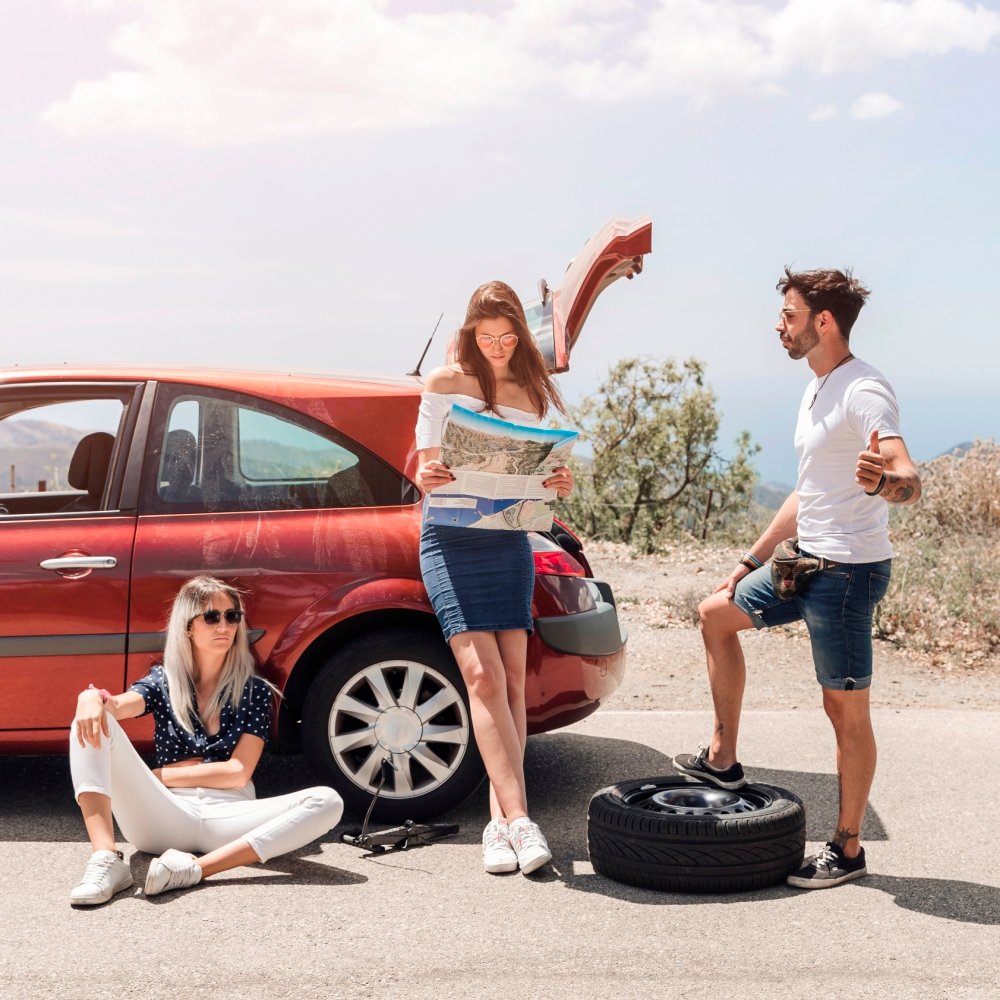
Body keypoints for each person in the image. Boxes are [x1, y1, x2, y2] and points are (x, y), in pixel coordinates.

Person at [674, 267, 921, 889]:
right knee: (715, 614)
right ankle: (724, 760)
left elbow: (906, 478)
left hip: (846, 574)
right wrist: (748, 561)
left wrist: (885, 483)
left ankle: (848, 848)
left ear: (823, 321)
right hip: (803, 561)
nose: (778, 325)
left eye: (788, 314)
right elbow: (807, 495)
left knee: (844, 711)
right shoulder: (817, 388)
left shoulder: (864, 388)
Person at [415, 280, 574, 875]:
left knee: (510, 683)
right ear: (470, 335)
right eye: (488, 338)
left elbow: (546, 468)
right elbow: (425, 463)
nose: (500, 347)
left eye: (508, 338)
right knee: (481, 678)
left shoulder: (531, 392)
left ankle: (500, 823)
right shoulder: (444, 382)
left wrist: (559, 482)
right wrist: (427, 474)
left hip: (507, 539)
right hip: (450, 539)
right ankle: (523, 819)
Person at [68, 575, 343, 906]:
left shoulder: (254, 691)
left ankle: (196, 870)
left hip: (228, 815)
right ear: (188, 627)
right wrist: (92, 698)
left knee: (328, 801)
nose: (224, 625)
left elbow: (238, 773)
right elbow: (118, 705)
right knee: (91, 721)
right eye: (212, 616)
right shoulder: (163, 681)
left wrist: (163, 775)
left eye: (232, 616)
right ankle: (106, 859)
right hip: (163, 816)